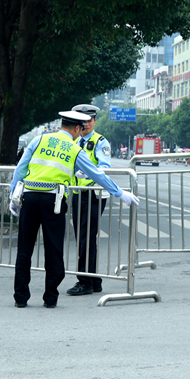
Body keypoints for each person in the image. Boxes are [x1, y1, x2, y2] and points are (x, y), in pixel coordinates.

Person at [9, 111, 139, 308]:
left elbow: (20, 168)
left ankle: (20, 298)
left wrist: (13, 194)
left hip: (29, 197)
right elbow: (97, 175)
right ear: (77, 129)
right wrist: (120, 193)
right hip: (54, 200)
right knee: (54, 250)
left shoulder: (38, 139)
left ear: (61, 125)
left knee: (25, 249)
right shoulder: (74, 149)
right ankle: (50, 298)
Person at [66, 104, 112, 296]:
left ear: (94, 121)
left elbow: (105, 167)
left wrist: (85, 174)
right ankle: (94, 280)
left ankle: (85, 281)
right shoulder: (73, 142)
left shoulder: (100, 142)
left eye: (89, 120)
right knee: (82, 238)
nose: (86, 123)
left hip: (93, 194)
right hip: (77, 194)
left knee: (86, 238)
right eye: (82, 120)